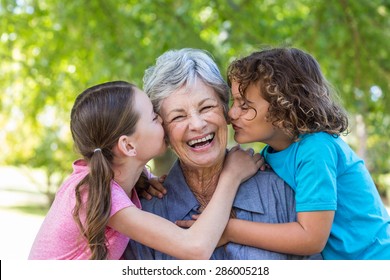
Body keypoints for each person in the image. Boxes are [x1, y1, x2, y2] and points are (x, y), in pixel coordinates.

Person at [28, 81, 263, 260]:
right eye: (153, 117)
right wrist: (232, 176)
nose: (162, 119)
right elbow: (195, 248)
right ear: (128, 146)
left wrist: (143, 179)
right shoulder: (95, 193)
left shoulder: (112, 183)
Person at [124, 48, 312, 260]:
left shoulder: (281, 190)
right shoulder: (145, 212)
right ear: (163, 131)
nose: (197, 124)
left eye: (206, 108)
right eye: (178, 117)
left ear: (225, 111)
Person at [226, 47, 390, 259]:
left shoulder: (316, 148)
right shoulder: (273, 153)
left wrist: (229, 230)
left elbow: (311, 238)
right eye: (233, 102)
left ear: (282, 109)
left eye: (245, 105)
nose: (231, 113)